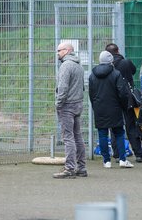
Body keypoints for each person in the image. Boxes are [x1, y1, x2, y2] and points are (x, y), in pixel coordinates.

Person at [89, 51, 134, 168]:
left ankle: (106, 161)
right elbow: (122, 93)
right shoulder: (116, 74)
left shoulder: (92, 75)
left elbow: (91, 94)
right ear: (111, 61)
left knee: (102, 134)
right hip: (115, 108)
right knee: (119, 133)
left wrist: (95, 106)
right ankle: (122, 160)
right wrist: (123, 106)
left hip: (100, 108)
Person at [105, 43, 142, 163]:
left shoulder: (108, 66)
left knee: (115, 127)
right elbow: (133, 71)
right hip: (128, 99)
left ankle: (117, 154)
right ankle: (138, 154)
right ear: (118, 51)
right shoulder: (126, 62)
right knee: (131, 126)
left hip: (113, 99)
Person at [53, 42, 87, 179]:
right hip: (78, 104)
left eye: (59, 51)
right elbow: (82, 87)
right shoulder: (78, 65)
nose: (58, 53)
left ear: (67, 51)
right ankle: (82, 168)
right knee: (77, 136)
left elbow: (63, 87)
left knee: (68, 138)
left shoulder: (66, 66)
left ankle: (69, 168)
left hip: (67, 105)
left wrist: (58, 104)